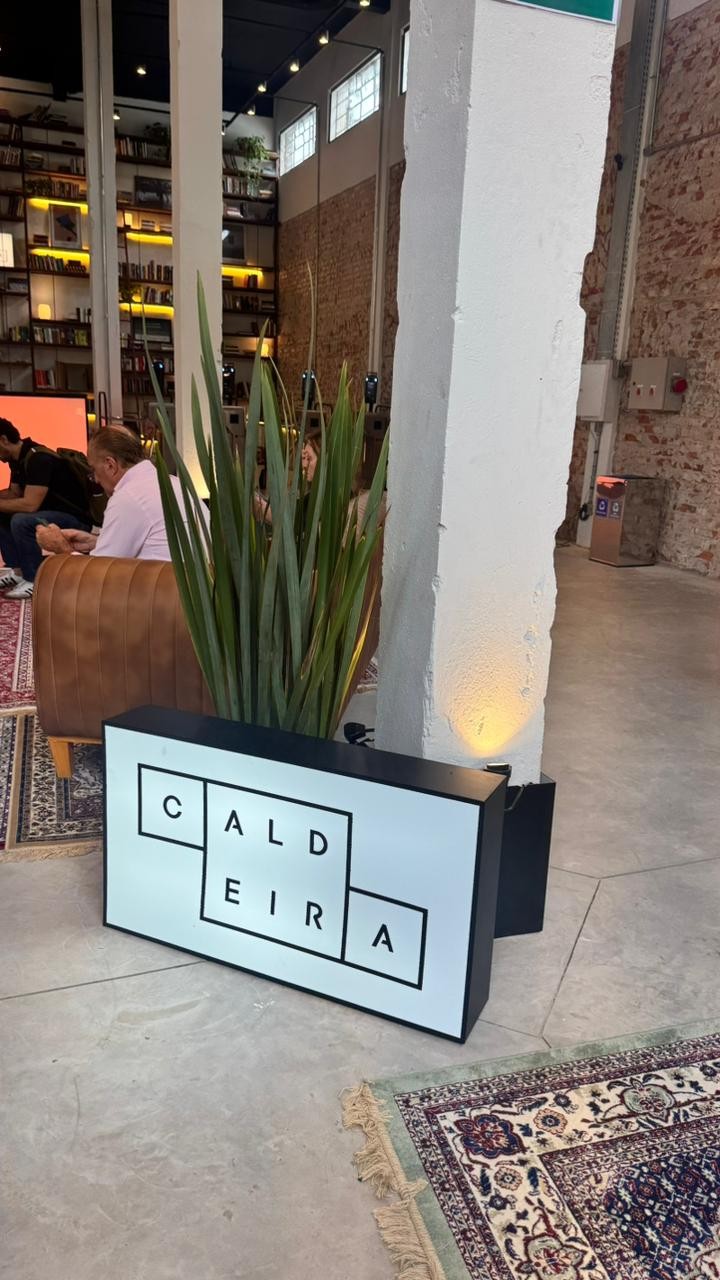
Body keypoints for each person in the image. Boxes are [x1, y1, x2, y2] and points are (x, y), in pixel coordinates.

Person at [36, 427, 199, 562]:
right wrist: (97, 542)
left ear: (110, 465)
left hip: (162, 588)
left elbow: (98, 575)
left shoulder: (129, 497)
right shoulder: (172, 482)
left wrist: (60, 547)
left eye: (93, 470)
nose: (96, 479)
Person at [0, 418, 94, 599]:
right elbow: (14, 493)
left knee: (21, 520)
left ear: (3, 440)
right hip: (48, 514)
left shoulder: (39, 459)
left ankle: (34, 578)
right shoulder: (17, 459)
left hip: (74, 519)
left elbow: (30, 505)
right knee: (4, 514)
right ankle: (18, 571)